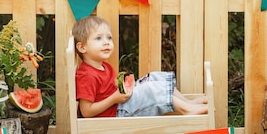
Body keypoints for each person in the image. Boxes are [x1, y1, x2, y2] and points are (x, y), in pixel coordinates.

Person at [72, 15, 208, 118]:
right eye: (98, 38)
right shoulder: (86, 75)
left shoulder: (105, 67)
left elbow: (112, 90)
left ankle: (187, 103)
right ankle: (186, 110)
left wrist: (124, 88)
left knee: (154, 76)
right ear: (82, 47)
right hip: (116, 113)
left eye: (109, 38)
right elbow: (86, 111)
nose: (106, 42)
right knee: (150, 89)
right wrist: (113, 98)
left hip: (119, 104)